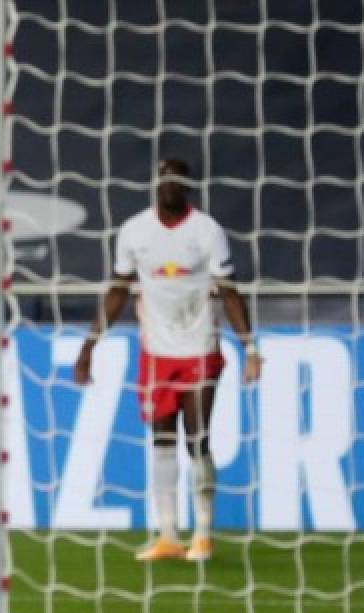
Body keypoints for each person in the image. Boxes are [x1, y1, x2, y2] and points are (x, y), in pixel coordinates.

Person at [74, 157, 261, 562]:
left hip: (199, 348)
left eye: (177, 180)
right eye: (164, 179)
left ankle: (204, 534)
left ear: (188, 187)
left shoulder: (206, 231)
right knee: (161, 441)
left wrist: (250, 349)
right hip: (156, 353)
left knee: (197, 440)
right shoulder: (134, 232)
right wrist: (89, 346)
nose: (170, 186)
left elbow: (230, 291)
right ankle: (167, 534)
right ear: (156, 184)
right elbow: (118, 289)